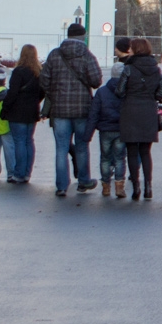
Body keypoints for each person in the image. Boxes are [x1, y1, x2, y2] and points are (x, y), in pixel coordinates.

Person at [40, 23, 103, 197]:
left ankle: (61, 186)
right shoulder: (87, 55)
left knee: (61, 148)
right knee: (82, 146)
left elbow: (44, 80)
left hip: (60, 110)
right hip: (82, 109)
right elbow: (96, 81)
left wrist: (54, 93)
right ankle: (83, 181)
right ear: (83, 36)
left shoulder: (55, 54)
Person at [117, 38, 162, 201]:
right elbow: (161, 94)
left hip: (130, 110)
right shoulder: (156, 69)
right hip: (148, 111)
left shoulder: (129, 68)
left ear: (135, 50)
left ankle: (136, 188)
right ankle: (148, 187)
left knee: (132, 152)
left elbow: (119, 91)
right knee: (146, 152)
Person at [0, 45, 45, 184]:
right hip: (32, 111)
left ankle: (19, 173)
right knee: (28, 141)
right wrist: (35, 102)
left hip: (17, 111)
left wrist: (5, 109)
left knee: (19, 141)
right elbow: (42, 92)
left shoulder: (18, 71)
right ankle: (27, 173)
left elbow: (12, 93)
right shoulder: (38, 72)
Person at [89, 73, 127, 197]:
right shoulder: (126, 91)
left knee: (105, 158)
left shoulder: (102, 92)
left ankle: (106, 187)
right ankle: (119, 187)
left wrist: (88, 133)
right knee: (119, 158)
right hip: (120, 129)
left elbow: (94, 113)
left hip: (105, 130)